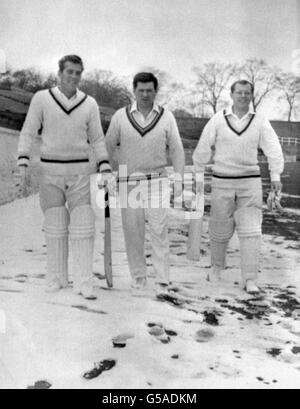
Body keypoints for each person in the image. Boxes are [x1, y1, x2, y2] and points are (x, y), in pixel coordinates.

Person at [17, 55, 114, 299]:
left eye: (78, 73)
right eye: (69, 72)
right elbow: (28, 131)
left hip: (80, 171)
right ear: (59, 73)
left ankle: (84, 282)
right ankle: (56, 278)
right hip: (50, 171)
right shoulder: (42, 98)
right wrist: (23, 161)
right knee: (55, 224)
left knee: (83, 224)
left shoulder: (89, 103)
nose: (73, 77)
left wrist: (104, 166)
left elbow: (98, 139)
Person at [193, 80, 284, 294]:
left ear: (251, 96)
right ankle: (216, 268)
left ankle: (249, 278)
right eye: (239, 93)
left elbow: (273, 148)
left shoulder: (260, 120)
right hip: (222, 181)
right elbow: (204, 145)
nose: (243, 96)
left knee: (251, 231)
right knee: (219, 228)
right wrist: (198, 172)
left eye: (247, 93)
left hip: (249, 182)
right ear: (232, 95)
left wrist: (276, 175)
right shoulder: (218, 119)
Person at [105, 72, 185, 294]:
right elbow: (108, 146)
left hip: (157, 180)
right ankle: (138, 278)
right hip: (128, 181)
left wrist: (178, 179)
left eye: (150, 90)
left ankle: (162, 279)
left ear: (155, 91)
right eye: (141, 90)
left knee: (159, 230)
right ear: (134, 90)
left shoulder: (167, 117)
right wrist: (107, 173)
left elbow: (177, 150)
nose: (145, 94)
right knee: (133, 232)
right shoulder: (120, 116)